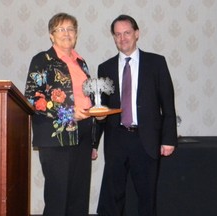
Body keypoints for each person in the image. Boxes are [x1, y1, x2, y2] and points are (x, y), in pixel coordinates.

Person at [96, 14, 178, 216]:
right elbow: (100, 109)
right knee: (113, 197)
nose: (122, 38)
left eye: (127, 33)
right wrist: (92, 143)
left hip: (146, 140)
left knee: (147, 198)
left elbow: (168, 105)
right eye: (117, 34)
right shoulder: (104, 68)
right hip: (116, 140)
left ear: (137, 34)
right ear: (113, 38)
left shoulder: (156, 63)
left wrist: (169, 139)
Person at [24, 12, 98, 216]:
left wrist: (97, 114)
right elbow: (32, 98)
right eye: (61, 29)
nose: (67, 33)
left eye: (71, 29)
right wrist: (69, 113)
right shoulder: (43, 60)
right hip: (56, 135)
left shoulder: (81, 62)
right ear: (51, 35)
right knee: (59, 197)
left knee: (79, 195)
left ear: (77, 34)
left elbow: (86, 97)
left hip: (82, 132)